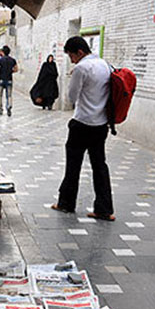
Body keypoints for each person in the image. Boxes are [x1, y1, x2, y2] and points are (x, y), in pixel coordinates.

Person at [51, 36, 115, 221]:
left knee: (73, 165)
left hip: (81, 124)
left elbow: (71, 97)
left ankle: (66, 203)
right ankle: (104, 209)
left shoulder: (81, 68)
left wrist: (75, 78)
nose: (72, 60)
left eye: (71, 56)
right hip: (101, 125)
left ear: (79, 52)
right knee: (99, 166)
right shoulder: (105, 65)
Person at [0, 45, 18, 116]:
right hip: (9, 79)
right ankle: (9, 106)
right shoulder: (13, 60)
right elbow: (16, 69)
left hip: (1, 79)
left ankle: (0, 109)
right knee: (9, 95)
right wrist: (10, 71)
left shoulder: (0, 60)